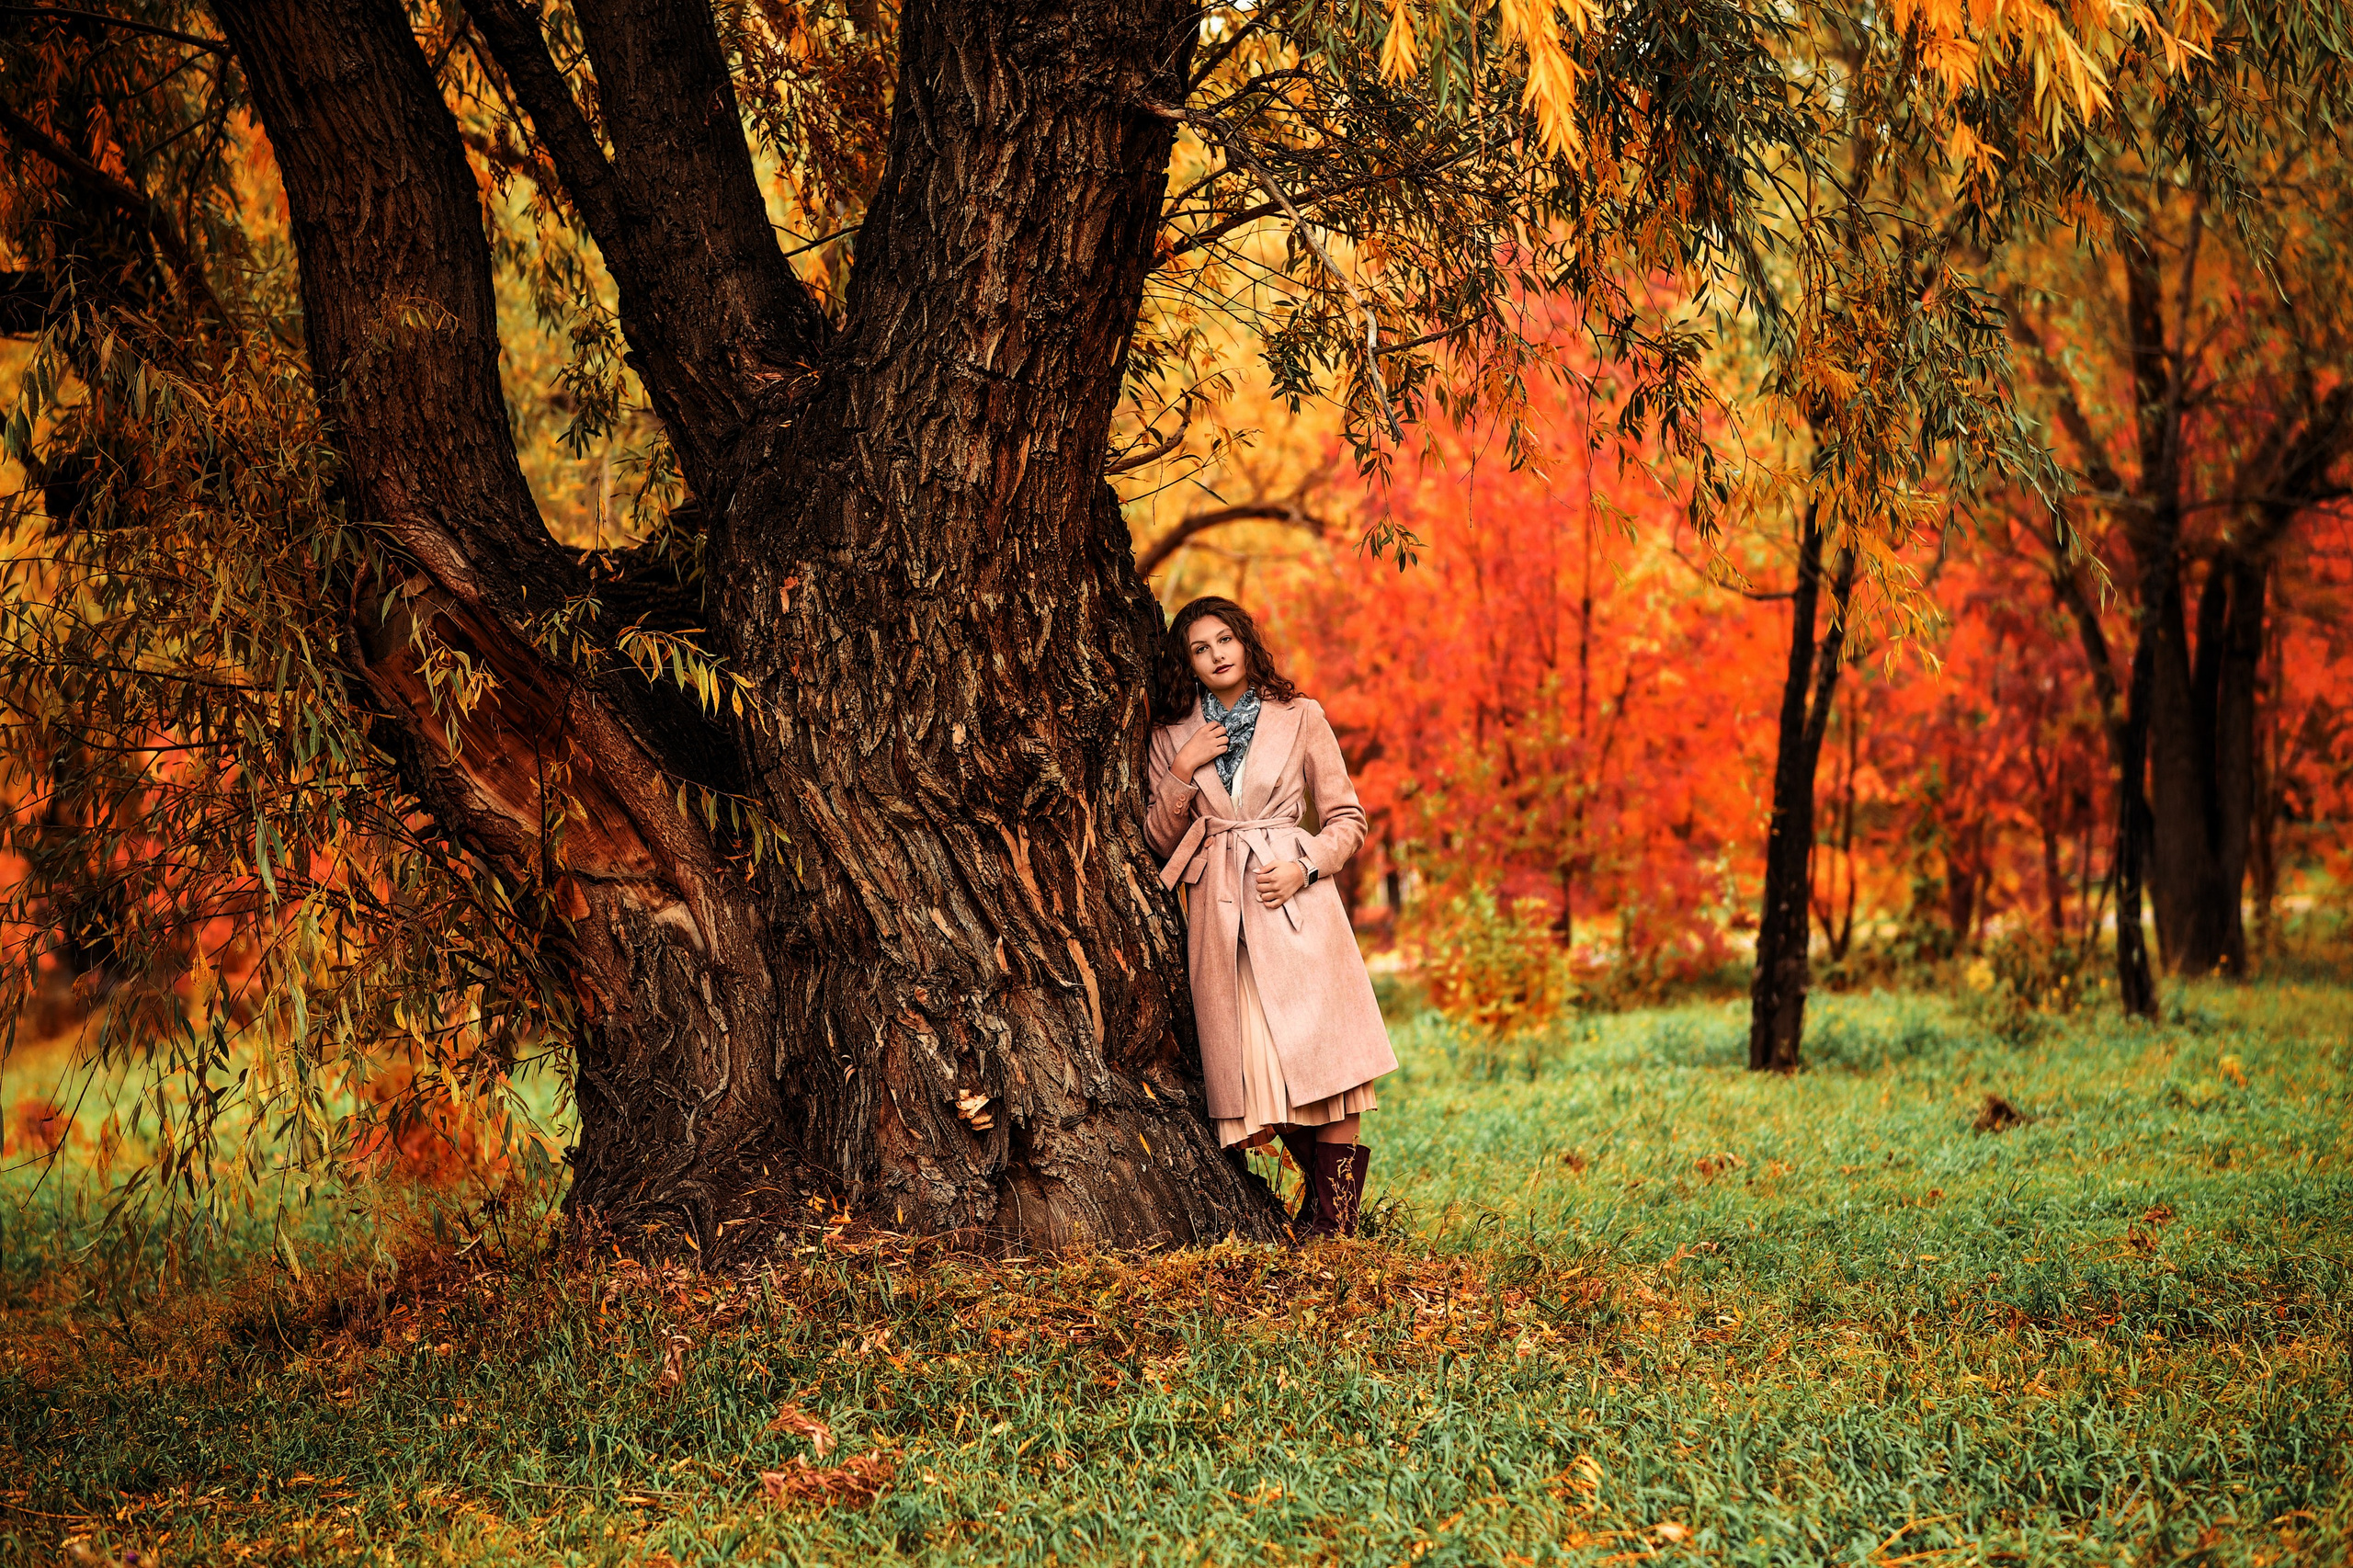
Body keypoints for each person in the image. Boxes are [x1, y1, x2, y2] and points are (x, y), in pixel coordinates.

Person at [1144, 596, 1398, 1238]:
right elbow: (1157, 838)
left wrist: (1305, 864)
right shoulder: (1171, 734)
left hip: (1294, 904)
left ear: (1246, 642)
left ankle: (1333, 1226)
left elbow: (1347, 819)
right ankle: (1330, 1215)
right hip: (1220, 915)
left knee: (1328, 1066)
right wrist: (1182, 768)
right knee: (1259, 1070)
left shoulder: (1300, 715)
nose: (1216, 655)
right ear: (1188, 664)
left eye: (1224, 640)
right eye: (1199, 649)